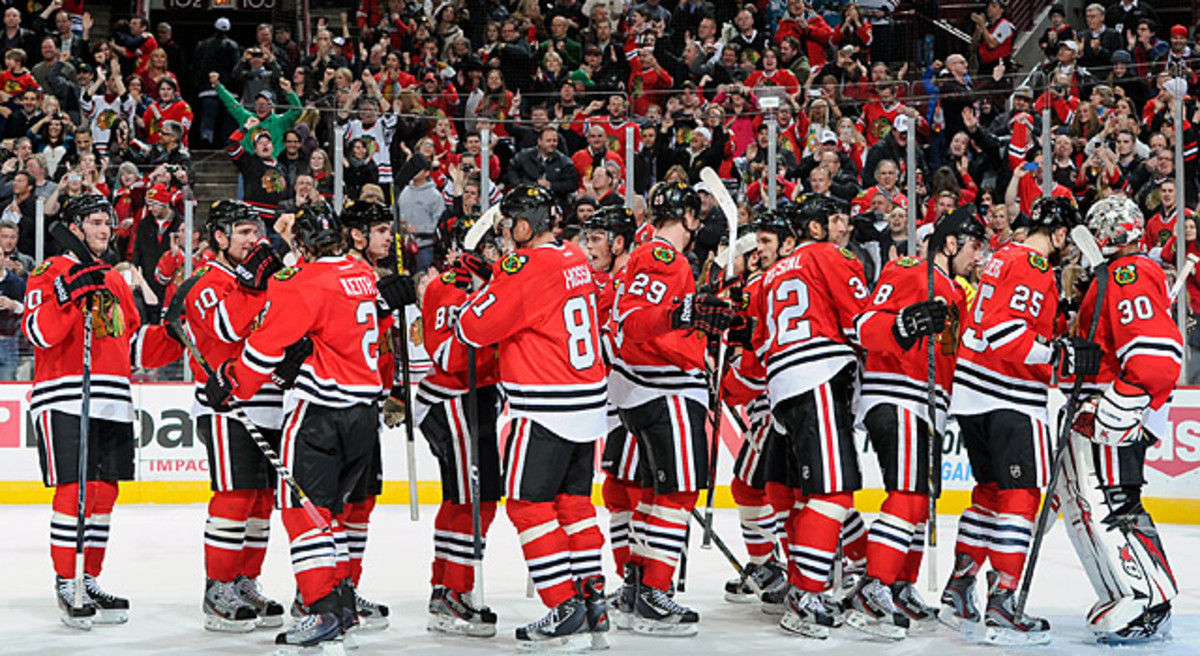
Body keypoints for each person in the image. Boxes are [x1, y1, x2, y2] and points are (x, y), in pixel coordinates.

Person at [205, 203, 413, 649]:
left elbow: (265, 349)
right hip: (362, 415)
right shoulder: (360, 277)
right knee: (335, 516)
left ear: (299, 242)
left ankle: (319, 612)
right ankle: (339, 605)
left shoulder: (303, 282)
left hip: (320, 414)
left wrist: (232, 385)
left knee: (306, 516)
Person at [455, 184, 610, 649]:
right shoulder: (572, 256)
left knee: (528, 506)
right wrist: (499, 278)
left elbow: (474, 327)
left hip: (544, 404)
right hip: (587, 402)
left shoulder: (525, 265)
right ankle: (591, 601)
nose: (506, 234)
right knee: (575, 505)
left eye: (509, 225)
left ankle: (562, 607)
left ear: (525, 226)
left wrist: (485, 284)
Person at [941, 196, 1099, 646]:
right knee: (1020, 496)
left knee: (989, 492)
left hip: (971, 395)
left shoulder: (999, 258)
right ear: (1059, 233)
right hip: (1008, 395)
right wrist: (1059, 352)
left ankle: (960, 586)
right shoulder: (1033, 266)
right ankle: (1005, 601)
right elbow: (1006, 333)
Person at [22, 193, 179, 629]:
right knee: (74, 490)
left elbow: (131, 343)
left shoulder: (112, 277)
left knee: (104, 493)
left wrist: (175, 334)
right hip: (65, 395)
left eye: (107, 223)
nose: (104, 229)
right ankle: (66, 580)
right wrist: (68, 294)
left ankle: (88, 577)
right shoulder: (48, 271)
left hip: (112, 397)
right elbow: (37, 331)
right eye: (94, 222)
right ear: (74, 228)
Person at [725, 195, 870, 639]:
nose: (843, 227)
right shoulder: (829, 255)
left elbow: (754, 353)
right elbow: (861, 321)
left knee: (796, 494)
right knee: (833, 494)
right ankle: (808, 593)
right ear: (813, 228)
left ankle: (805, 581)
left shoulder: (767, 279)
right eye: (836, 219)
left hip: (782, 387)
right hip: (818, 374)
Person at [846, 209, 986, 638]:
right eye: (974, 245)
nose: (979, 255)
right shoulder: (910, 269)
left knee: (922, 503)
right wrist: (904, 324)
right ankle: (874, 589)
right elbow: (864, 324)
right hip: (899, 393)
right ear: (950, 243)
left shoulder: (956, 292)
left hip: (930, 405)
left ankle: (900, 583)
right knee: (907, 497)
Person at [610, 181, 738, 636]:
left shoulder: (646, 253)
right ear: (686, 216)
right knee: (679, 493)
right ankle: (653, 595)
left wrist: (703, 318)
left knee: (654, 493)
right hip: (664, 388)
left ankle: (638, 585)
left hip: (642, 391)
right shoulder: (664, 256)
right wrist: (685, 316)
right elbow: (637, 319)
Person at [1061, 196, 1179, 644]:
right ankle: (1129, 591)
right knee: (1096, 505)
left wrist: (1125, 400)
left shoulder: (1128, 272)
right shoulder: (1108, 277)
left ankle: (1148, 597)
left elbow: (1153, 353)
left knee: (1114, 503)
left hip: (1112, 405)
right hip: (1102, 401)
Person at [179, 200, 288, 632]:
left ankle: (245, 580)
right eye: (242, 232)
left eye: (255, 231)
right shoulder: (206, 282)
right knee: (235, 497)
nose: (252, 240)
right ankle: (217, 587)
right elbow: (226, 327)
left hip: (272, 403)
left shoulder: (264, 280)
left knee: (262, 503)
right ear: (220, 238)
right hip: (227, 405)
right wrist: (254, 283)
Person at [415, 212, 503, 637]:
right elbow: (449, 357)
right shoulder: (447, 288)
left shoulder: (490, 285)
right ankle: (454, 590)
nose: (500, 252)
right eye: (492, 246)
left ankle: (446, 587)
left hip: (475, 399)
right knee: (474, 501)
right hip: (453, 400)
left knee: (467, 499)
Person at [339, 200, 410, 629]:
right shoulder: (343, 274)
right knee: (340, 504)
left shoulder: (373, 276)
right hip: (340, 404)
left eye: (390, 230)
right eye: (381, 230)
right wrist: (381, 304)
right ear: (357, 235)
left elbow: (384, 345)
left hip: (368, 401)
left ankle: (347, 585)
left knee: (362, 504)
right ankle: (322, 589)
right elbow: (343, 328)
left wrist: (395, 389)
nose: (389, 237)